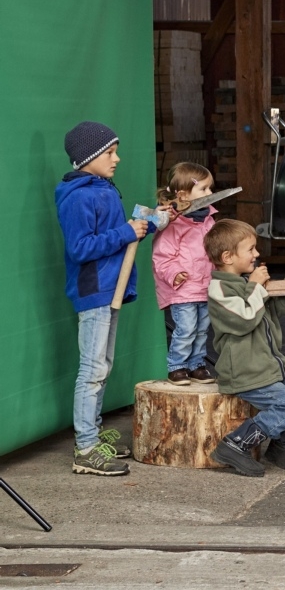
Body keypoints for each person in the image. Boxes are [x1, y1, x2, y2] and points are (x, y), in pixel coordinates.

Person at [55, 121, 153, 476]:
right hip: (94, 291)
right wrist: (126, 232)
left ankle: (94, 435)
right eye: (110, 153)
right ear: (89, 157)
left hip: (111, 288)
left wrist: (151, 222)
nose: (117, 158)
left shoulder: (103, 188)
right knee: (92, 370)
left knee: (102, 366)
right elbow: (80, 248)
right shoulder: (79, 196)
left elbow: (117, 234)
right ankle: (85, 449)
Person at [205, 219, 285, 476]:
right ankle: (235, 445)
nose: (257, 254)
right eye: (250, 249)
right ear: (227, 257)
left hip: (270, 368)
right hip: (246, 373)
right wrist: (255, 286)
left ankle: (282, 446)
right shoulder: (220, 289)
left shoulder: (247, 282)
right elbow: (244, 319)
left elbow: (279, 309)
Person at [152, 162, 220, 386]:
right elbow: (162, 257)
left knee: (202, 330)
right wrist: (175, 274)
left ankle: (196, 365)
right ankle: (177, 366)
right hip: (183, 289)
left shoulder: (209, 219)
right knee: (186, 329)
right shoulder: (173, 223)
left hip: (206, 287)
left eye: (210, 188)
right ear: (182, 194)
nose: (209, 193)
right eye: (203, 188)